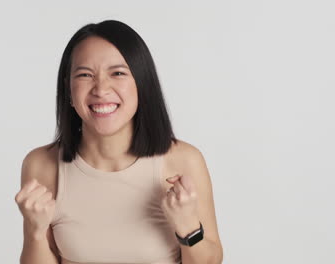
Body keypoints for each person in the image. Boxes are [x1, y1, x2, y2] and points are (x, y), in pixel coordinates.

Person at [15, 20, 223, 264]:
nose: (101, 89)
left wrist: (188, 226)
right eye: (85, 75)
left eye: (118, 73)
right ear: (68, 90)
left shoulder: (183, 160)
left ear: (142, 84)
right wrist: (35, 231)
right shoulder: (42, 164)